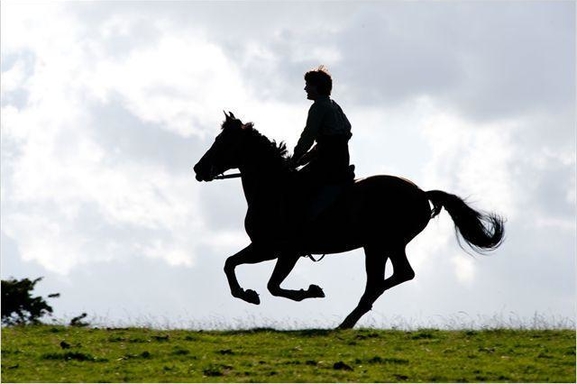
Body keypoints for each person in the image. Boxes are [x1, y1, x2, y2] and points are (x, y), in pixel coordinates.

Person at [291, 66, 354, 219]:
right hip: (341, 159)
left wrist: (295, 157)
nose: (305, 88)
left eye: (308, 85)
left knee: (295, 186)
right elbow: (329, 141)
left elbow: (308, 136)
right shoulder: (334, 105)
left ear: (316, 87)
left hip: (327, 162)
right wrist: (304, 159)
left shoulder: (318, 107)